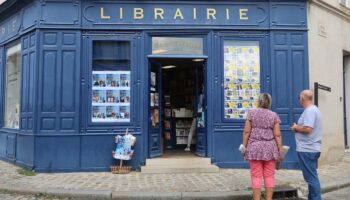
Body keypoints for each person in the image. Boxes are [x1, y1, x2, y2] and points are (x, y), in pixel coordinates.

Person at [242, 93, 284, 200]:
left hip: (255, 148)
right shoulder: (274, 115)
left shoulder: (251, 113)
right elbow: (277, 135)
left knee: (256, 175)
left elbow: (247, 132)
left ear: (258, 101)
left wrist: (244, 146)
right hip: (270, 149)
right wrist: (280, 150)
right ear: (269, 102)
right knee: (269, 175)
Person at [291, 90, 323, 200]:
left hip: (307, 149)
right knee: (311, 177)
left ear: (303, 98)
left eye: (299, 98)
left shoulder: (309, 111)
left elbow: (308, 129)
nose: (299, 100)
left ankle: (316, 198)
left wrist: (296, 128)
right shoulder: (314, 110)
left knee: (311, 178)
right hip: (311, 148)